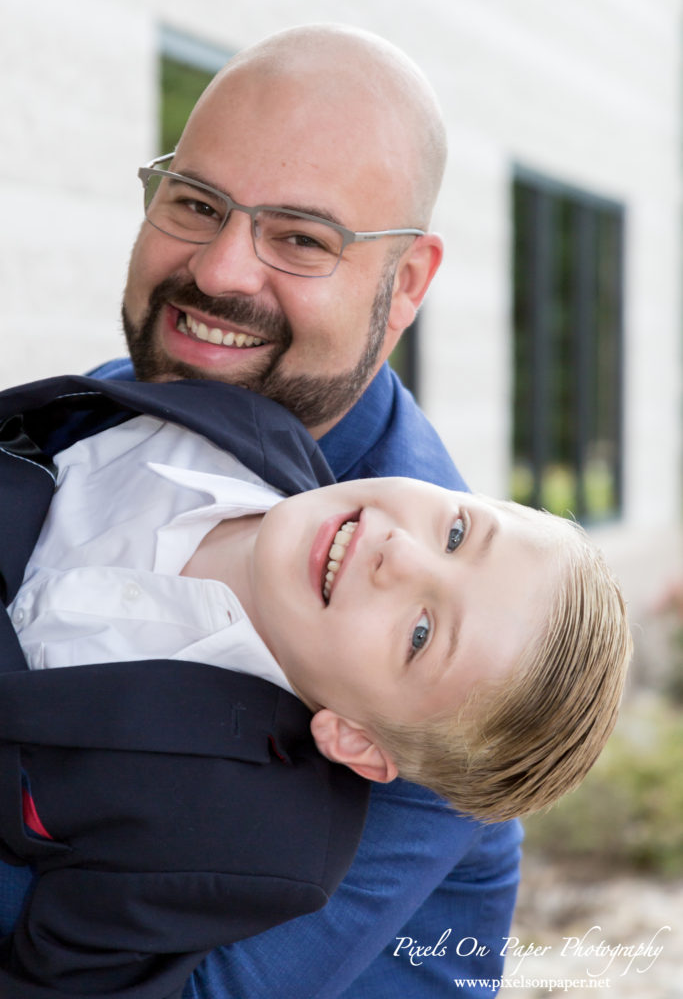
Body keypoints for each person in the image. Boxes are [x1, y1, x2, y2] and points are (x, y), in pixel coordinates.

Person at [0, 23, 562, 997]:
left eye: (300, 238)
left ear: (406, 286)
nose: (218, 272)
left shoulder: (443, 691)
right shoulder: (133, 401)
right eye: (195, 202)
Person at [0, 373, 631, 999]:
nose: (400, 555)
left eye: (420, 634)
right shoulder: (236, 422)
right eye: (457, 534)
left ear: (356, 740)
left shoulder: (239, 843)